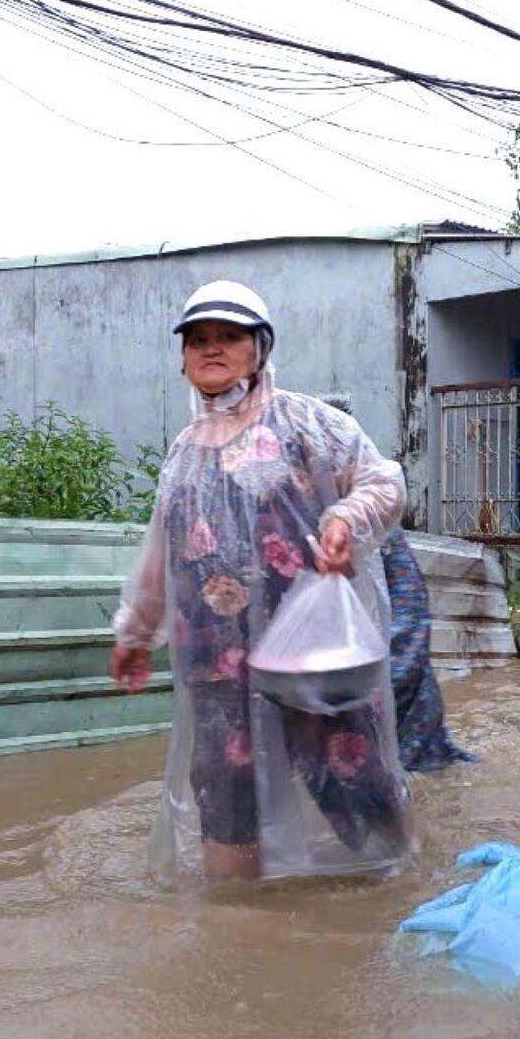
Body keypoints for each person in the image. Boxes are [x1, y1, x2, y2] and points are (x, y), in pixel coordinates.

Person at [111, 280, 413, 883]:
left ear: (261, 348)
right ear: (183, 358)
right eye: (198, 340)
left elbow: (385, 484)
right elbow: (160, 555)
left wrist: (343, 519)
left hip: (310, 648)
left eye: (229, 337)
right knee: (224, 792)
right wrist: (136, 632)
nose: (212, 349)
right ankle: (237, 933)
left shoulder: (305, 423)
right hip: (215, 659)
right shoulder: (183, 453)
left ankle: (400, 886)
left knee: (350, 773)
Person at [319, 395, 475, 773]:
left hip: (393, 707)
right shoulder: (304, 520)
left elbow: (408, 621)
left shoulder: (378, 530)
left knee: (409, 790)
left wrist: (366, 692)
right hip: (346, 696)